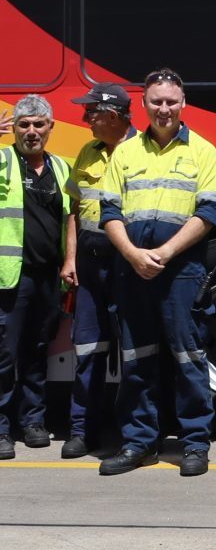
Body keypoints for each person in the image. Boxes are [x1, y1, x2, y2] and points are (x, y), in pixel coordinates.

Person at [97, 69, 216, 477]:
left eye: (171, 101)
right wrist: (134, 255)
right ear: (144, 105)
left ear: (183, 103)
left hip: (182, 272)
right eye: (156, 102)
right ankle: (139, 443)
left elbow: (208, 213)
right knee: (137, 360)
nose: (164, 109)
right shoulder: (125, 153)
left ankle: (194, 444)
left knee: (188, 357)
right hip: (132, 271)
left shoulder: (202, 151)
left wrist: (163, 253)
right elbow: (109, 212)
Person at [0, 96, 78, 461]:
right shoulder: (2, 160)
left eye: (38, 124)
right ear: (13, 129)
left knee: (36, 353)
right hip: (10, 278)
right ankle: (1, 430)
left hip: (48, 277)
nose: (32, 132)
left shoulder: (62, 168)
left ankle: (33, 423)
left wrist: (70, 262)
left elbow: (71, 218)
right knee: (4, 355)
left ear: (51, 128)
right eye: (24, 125)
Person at [64, 82, 136, 458]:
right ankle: (82, 430)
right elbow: (74, 212)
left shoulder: (142, 151)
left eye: (90, 112)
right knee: (88, 347)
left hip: (128, 265)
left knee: (134, 351)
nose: (84, 118)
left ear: (111, 115)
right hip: (91, 266)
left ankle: (131, 433)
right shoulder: (87, 151)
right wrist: (70, 259)